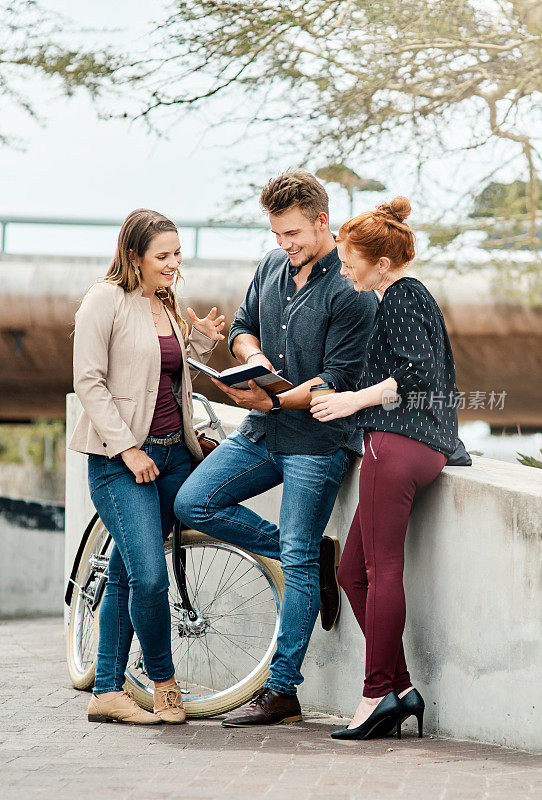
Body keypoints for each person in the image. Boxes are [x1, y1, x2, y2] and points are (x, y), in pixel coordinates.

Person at [174, 170, 378, 727]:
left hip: (317, 443)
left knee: (295, 554)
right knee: (193, 504)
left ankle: (283, 690)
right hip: (262, 435)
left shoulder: (351, 291)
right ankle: (306, 554)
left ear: (321, 220)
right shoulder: (269, 267)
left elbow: (337, 382)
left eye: (293, 233)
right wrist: (250, 355)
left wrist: (273, 401)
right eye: (276, 234)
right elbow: (241, 326)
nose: (284, 245)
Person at [310, 197, 459, 740]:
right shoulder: (407, 295)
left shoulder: (398, 297)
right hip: (419, 446)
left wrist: (351, 401)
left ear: (383, 263)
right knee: (352, 573)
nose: (343, 268)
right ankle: (399, 689)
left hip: (396, 445)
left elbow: (416, 376)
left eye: (351, 261)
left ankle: (375, 694)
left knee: (382, 571)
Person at [69, 208, 225, 725]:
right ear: (133, 256)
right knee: (151, 577)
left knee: (127, 571)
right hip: (121, 464)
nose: (174, 264)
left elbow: (166, 368)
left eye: (178, 254)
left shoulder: (166, 302)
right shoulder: (103, 300)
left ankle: (108, 690)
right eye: (163, 256)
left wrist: (198, 337)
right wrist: (127, 449)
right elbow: (89, 382)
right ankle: (163, 682)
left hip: (173, 454)